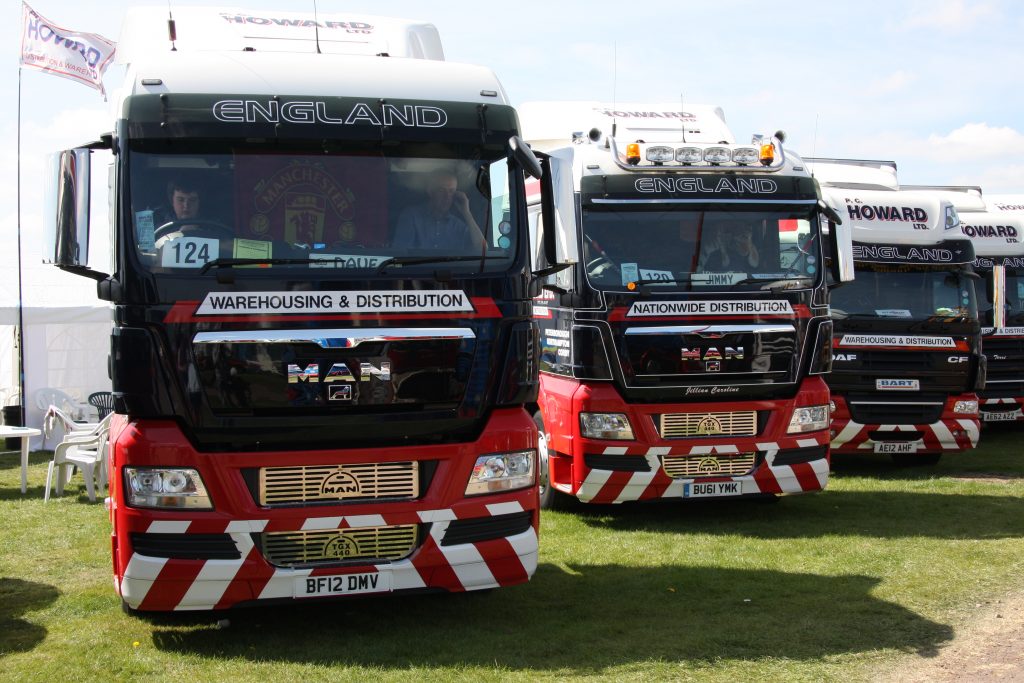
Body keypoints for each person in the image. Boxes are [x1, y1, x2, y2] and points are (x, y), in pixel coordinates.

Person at [393, 169, 484, 251]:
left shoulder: (458, 226)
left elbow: (483, 250)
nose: (447, 196)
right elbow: (401, 254)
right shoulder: (411, 217)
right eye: (441, 190)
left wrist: (467, 213)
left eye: (451, 191)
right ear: (430, 191)